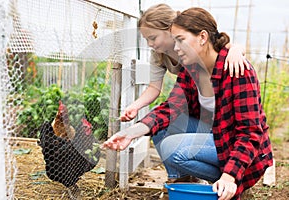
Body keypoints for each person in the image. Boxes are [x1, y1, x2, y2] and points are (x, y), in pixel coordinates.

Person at [103, 7, 273, 200]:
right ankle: (186, 185)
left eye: (180, 40)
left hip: (240, 148)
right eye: (174, 41)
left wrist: (229, 176)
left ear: (202, 37)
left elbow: (250, 133)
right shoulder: (191, 69)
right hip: (214, 133)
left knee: (173, 149)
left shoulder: (237, 70)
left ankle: (232, 181)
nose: (175, 48)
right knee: (163, 129)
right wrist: (130, 133)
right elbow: (170, 108)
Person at [120, 3, 249, 122]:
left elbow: (224, 46)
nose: (149, 44)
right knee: (165, 127)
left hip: (213, 98)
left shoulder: (192, 47)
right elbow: (154, 87)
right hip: (193, 95)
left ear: (170, 30)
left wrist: (237, 50)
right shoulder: (158, 55)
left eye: (153, 38)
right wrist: (135, 106)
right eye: (146, 39)